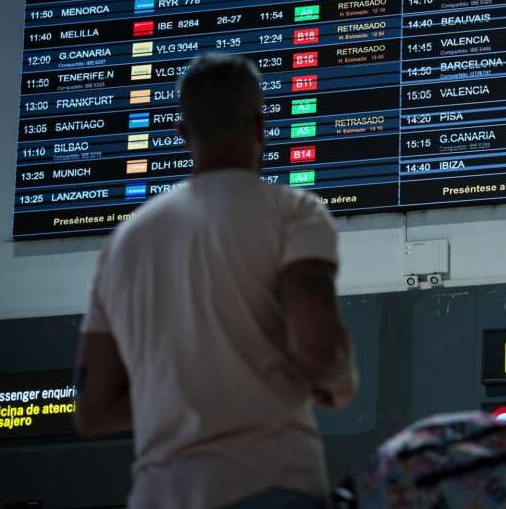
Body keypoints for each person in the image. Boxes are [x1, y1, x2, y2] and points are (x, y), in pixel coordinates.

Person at [72, 54, 358, 509]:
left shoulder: (123, 245)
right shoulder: (294, 214)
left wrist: (180, 402)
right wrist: (338, 383)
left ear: (182, 135)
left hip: (158, 495)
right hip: (271, 484)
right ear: (261, 126)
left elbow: (93, 411)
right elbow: (319, 354)